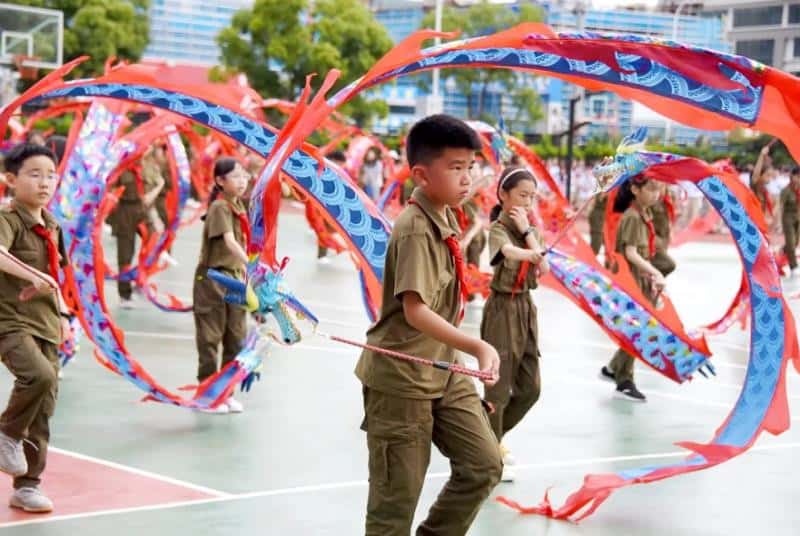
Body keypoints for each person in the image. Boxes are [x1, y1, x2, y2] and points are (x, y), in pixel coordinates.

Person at [354, 115, 502, 535]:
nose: (467, 177)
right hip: (401, 378)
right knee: (394, 505)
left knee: (483, 464)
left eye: (471, 166)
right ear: (422, 173)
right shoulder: (416, 227)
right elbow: (416, 310)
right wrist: (477, 346)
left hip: (440, 366)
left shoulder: (446, 215)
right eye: (456, 168)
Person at [0, 144, 72, 513]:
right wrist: (33, 274)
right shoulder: (7, 218)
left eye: (50, 175)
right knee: (38, 377)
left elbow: (57, 278)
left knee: (43, 407)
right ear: (10, 180)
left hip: (45, 323)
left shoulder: (53, 224)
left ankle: (27, 486)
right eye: (34, 174)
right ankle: (6, 435)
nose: (44, 182)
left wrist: (63, 316)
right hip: (9, 319)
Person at [481, 166, 548, 482]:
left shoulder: (530, 229)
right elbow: (506, 252)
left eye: (532, 197)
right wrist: (527, 247)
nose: (528, 203)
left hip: (525, 309)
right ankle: (491, 453)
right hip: (502, 308)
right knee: (497, 386)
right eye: (522, 195)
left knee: (530, 388)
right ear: (503, 195)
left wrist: (528, 231)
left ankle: (484, 439)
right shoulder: (497, 228)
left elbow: (543, 266)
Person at [599, 174, 665, 402]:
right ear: (635, 190)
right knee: (637, 330)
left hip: (641, 280)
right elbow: (630, 253)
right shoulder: (633, 217)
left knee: (639, 330)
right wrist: (655, 272)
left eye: (658, 190)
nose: (656, 194)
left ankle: (614, 368)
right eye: (651, 189)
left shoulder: (644, 214)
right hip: (631, 281)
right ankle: (624, 380)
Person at [192, 158, 250, 414]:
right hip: (213, 279)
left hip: (235, 279)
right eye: (235, 176)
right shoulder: (219, 207)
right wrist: (252, 263)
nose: (242, 181)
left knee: (235, 338)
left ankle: (225, 393)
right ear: (220, 181)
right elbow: (228, 241)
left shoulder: (239, 206)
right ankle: (206, 394)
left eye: (244, 175)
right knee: (210, 338)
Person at [780, 167, 800, 277]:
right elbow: (781, 206)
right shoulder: (786, 190)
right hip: (787, 218)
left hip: (798, 217)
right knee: (791, 243)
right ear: (792, 176)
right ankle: (793, 266)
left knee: (796, 242)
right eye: (797, 176)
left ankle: (782, 251)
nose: (799, 179)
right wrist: (778, 222)